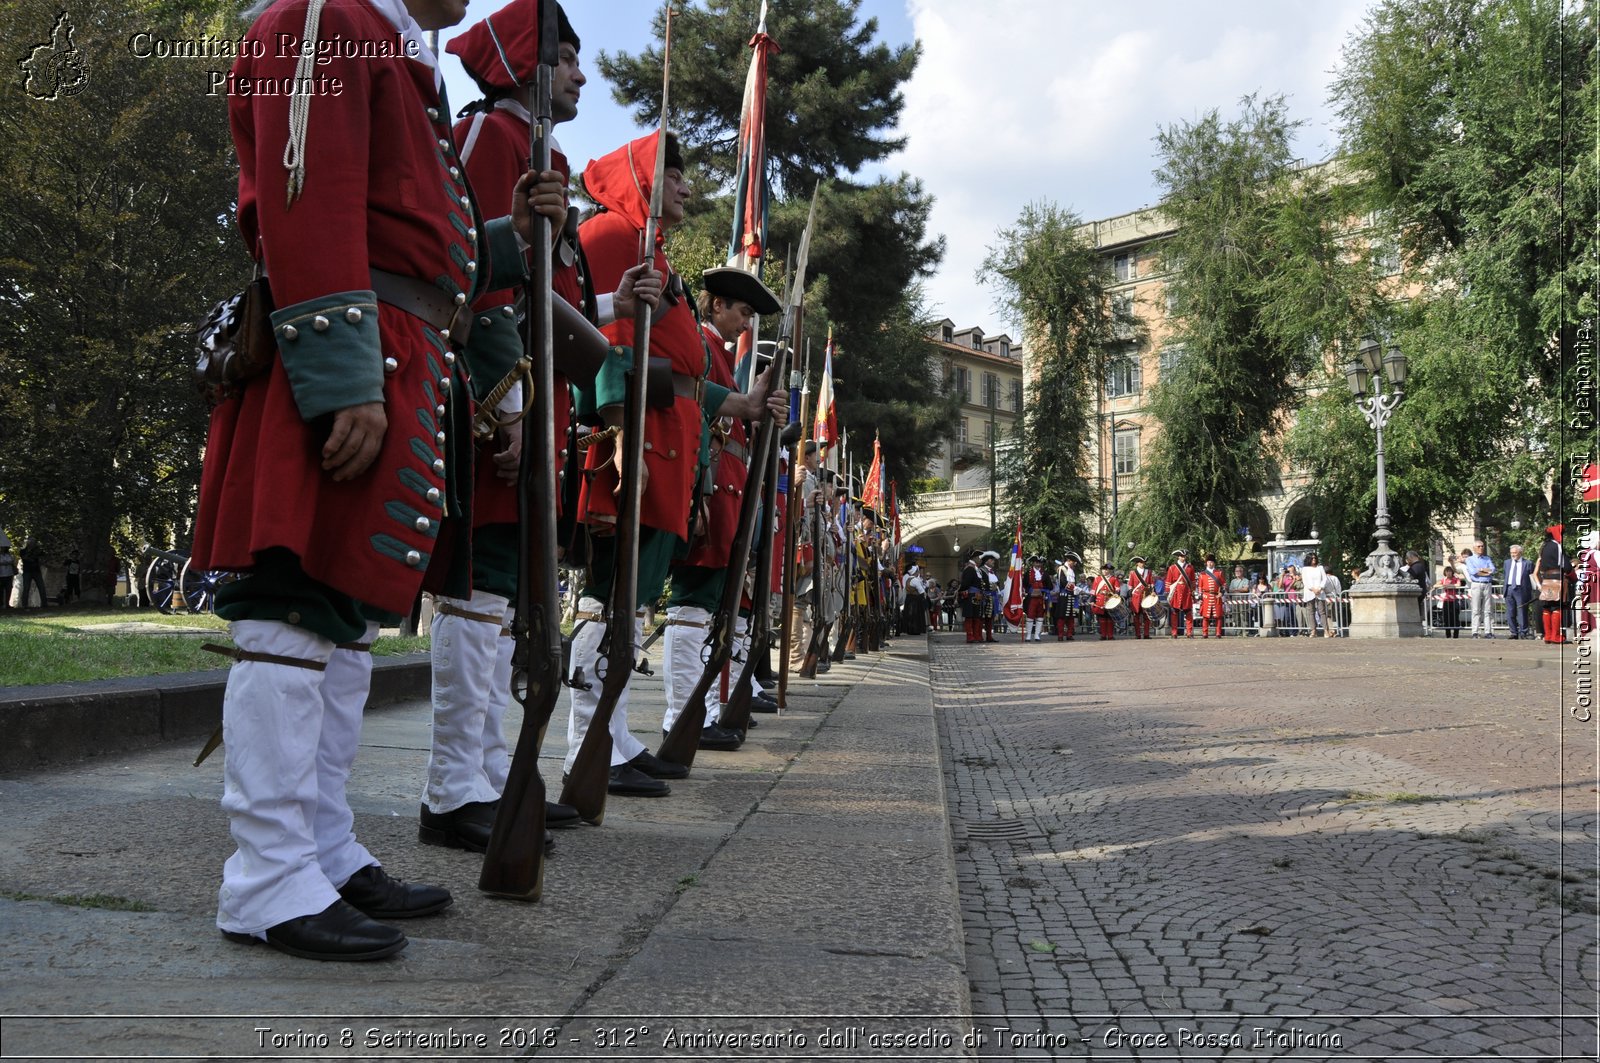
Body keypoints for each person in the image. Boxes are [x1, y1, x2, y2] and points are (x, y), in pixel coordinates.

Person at [189, 0, 547, 962]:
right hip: (350, 349)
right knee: (291, 604)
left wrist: (505, 236)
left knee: (341, 618)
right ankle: (265, 877)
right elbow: (303, 195)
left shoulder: (382, 40)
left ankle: (318, 846)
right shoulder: (326, 16)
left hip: (396, 349)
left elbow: (425, 248)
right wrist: (345, 375)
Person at [420, 0, 601, 853]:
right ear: (528, 58)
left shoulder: (538, 150)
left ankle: (491, 772)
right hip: (503, 397)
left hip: (535, 399)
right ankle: (457, 786)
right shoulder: (495, 138)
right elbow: (484, 282)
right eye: (565, 57)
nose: (580, 75)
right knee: (480, 588)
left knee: (507, 596)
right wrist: (510, 397)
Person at [568, 130, 786, 796]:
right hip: (637, 442)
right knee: (611, 596)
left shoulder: (657, 256)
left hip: (671, 443)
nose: (688, 186)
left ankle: (612, 734)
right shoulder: (610, 238)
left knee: (632, 603)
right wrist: (616, 427)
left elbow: (688, 373)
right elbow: (603, 341)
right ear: (642, 180)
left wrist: (743, 403)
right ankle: (586, 740)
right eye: (674, 174)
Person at [659, 266, 783, 754]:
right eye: (742, 311)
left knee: (706, 609)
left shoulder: (720, 357)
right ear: (716, 306)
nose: (745, 323)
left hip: (726, 499)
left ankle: (702, 711)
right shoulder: (700, 348)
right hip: (708, 497)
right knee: (691, 606)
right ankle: (682, 716)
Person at [1536, 525, 1569, 644]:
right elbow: (1566, 565)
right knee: (1556, 606)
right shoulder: (1558, 546)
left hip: (1546, 579)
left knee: (1546, 607)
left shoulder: (1543, 546)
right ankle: (1555, 636)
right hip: (1556, 578)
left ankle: (1548, 635)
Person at [1462, 539, 1496, 638]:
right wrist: (1485, 571)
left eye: (1482, 546)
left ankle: (1488, 631)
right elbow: (1473, 572)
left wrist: (1480, 570)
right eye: (1479, 546)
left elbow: (1492, 570)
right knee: (1476, 609)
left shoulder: (1487, 558)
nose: (1481, 548)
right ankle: (1475, 632)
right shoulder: (1470, 559)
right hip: (1476, 584)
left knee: (1487, 609)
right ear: (1474, 548)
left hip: (1487, 584)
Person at [1502, 542, 1533, 640]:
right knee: (1510, 612)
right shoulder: (1507, 563)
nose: (1513, 555)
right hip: (1509, 588)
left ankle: (1523, 632)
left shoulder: (1527, 563)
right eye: (1511, 553)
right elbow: (1505, 575)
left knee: (1522, 612)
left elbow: (1532, 577)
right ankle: (1513, 632)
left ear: (1520, 552)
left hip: (1521, 589)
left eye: (1515, 552)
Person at [1165, 548, 1195, 638]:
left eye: (1184, 556)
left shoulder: (1190, 567)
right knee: (1174, 613)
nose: (1183, 558)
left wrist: (1193, 591)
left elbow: (1193, 581)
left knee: (1188, 612)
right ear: (1178, 557)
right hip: (1176, 591)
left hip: (1186, 591)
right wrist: (1168, 593)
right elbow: (1168, 581)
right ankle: (1174, 632)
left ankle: (1189, 632)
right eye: (1182, 556)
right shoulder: (1172, 568)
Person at [1124, 556, 1156, 640]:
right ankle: (1137, 634)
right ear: (1137, 563)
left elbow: (1151, 583)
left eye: (1144, 562)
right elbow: (1130, 585)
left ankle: (1146, 634)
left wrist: (1152, 591)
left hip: (1146, 596)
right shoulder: (1132, 573)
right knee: (1136, 616)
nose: (1142, 564)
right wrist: (1131, 594)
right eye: (1141, 562)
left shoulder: (1148, 572)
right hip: (1136, 596)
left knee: (1146, 616)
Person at [1020, 555, 1049, 642]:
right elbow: (1024, 584)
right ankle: (1028, 635)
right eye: (1036, 562)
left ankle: (1037, 635)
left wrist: (1042, 590)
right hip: (1031, 598)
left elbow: (1049, 586)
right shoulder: (1027, 573)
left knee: (1040, 616)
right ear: (1033, 563)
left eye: (1039, 562)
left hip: (1041, 598)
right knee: (1030, 616)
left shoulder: (1045, 574)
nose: (1038, 564)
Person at [1196, 554, 1226, 638]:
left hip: (1216, 596)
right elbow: (1200, 587)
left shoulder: (1219, 573)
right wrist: (1200, 597)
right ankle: (1205, 633)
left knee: (1218, 616)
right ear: (1206, 563)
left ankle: (1218, 633)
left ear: (1214, 563)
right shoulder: (1202, 574)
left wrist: (1221, 593)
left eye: (1211, 562)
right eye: (1208, 562)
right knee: (1205, 616)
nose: (1210, 563)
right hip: (1206, 596)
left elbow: (1224, 584)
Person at [958, 550, 985, 643]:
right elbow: (965, 584)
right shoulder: (970, 569)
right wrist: (960, 591)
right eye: (980, 558)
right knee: (970, 616)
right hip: (970, 595)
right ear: (975, 558)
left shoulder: (975, 569)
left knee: (976, 616)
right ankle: (970, 636)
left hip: (976, 595)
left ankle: (976, 635)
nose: (981, 560)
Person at [1300, 552, 1329, 638]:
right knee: (1311, 612)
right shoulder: (1305, 569)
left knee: (1322, 611)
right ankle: (1313, 630)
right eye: (1312, 558)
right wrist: (1313, 589)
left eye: (1315, 558)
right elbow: (1305, 581)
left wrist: (1320, 588)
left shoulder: (1320, 568)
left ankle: (1326, 630)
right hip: (1310, 591)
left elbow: (1324, 579)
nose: (1314, 560)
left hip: (1320, 591)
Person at [1052, 554, 1079, 641]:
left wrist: (1076, 589)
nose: (1074, 564)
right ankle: (1060, 635)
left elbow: (1075, 582)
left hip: (1072, 595)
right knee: (1062, 616)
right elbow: (1062, 582)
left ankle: (1069, 634)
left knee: (1071, 616)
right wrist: (1075, 588)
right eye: (1073, 562)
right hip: (1064, 596)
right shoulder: (1062, 569)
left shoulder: (1072, 571)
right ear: (1069, 560)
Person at [1091, 562, 1120, 641]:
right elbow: (1094, 590)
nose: (1105, 571)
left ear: (1109, 571)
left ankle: (1110, 635)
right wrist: (1092, 600)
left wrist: (1116, 595)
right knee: (1102, 619)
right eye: (1104, 569)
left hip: (1110, 600)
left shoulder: (1113, 579)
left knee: (1110, 618)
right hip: (1100, 601)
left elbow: (1117, 589)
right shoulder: (1097, 579)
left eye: (1107, 570)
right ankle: (1103, 635)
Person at [18, 539, 47, 609]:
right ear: (28, 543)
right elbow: (25, 558)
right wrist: (31, 554)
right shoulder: (23, 551)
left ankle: (44, 604)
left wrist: (40, 559)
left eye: (34, 542)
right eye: (31, 542)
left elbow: (43, 556)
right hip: (27, 571)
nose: (32, 544)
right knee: (26, 588)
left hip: (36, 571)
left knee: (41, 587)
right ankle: (24, 605)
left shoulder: (38, 550)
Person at [1403, 550, 1429, 624]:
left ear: (1411, 557)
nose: (1407, 560)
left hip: (1417, 592)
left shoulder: (1416, 566)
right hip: (1420, 591)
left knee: (1413, 610)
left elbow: (1409, 576)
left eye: (1407, 558)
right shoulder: (1419, 565)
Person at [1437, 565, 1462, 637]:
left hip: (1454, 601)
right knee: (1446, 618)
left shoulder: (1456, 579)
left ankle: (1456, 635)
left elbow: (1458, 585)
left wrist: (1448, 586)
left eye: (1450, 571)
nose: (1448, 573)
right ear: (1445, 572)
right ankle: (1448, 635)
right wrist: (1443, 585)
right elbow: (1435, 585)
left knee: (1455, 618)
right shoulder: (1443, 579)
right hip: (1446, 601)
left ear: (1452, 572)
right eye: (1447, 571)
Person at [0, 541, 15, 610]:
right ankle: (1, 604)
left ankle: (7, 604)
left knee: (9, 589)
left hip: (9, 574)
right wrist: (6, 563)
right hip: (1, 575)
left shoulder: (9, 555)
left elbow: (12, 560)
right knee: (1, 590)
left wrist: (5, 563)